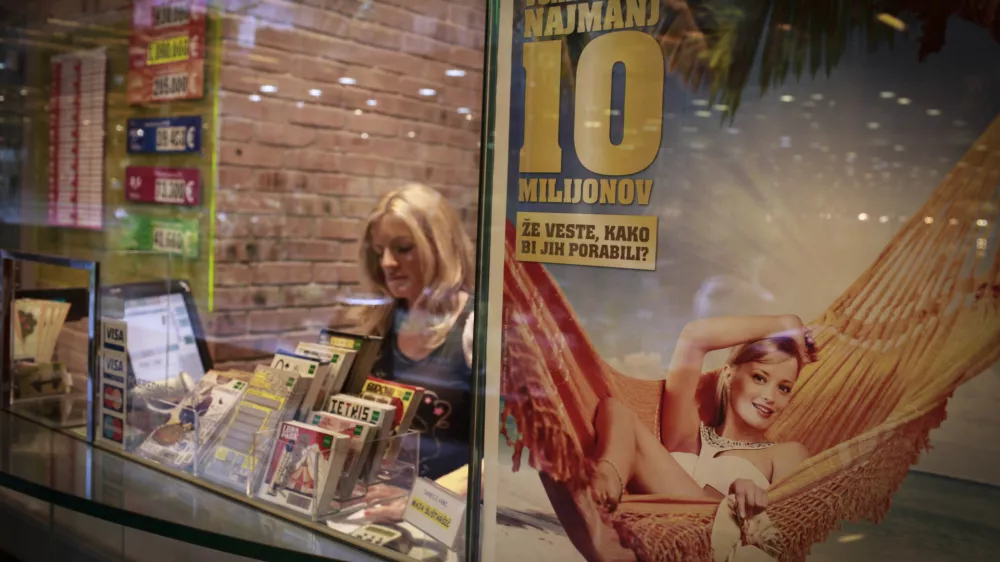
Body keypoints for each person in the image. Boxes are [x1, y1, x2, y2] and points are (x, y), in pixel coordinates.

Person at [591, 315, 818, 523]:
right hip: (655, 536)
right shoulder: (685, 437)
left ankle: (598, 495)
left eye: (784, 388)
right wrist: (786, 324)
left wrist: (744, 499)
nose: (770, 397)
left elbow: (789, 536)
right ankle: (603, 485)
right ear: (728, 375)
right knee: (614, 409)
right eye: (759, 378)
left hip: (720, 539)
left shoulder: (786, 454)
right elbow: (694, 338)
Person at [350, 184, 477, 520]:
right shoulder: (378, 323)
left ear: (440, 247)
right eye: (379, 251)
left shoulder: (475, 328)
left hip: (452, 523)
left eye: (403, 248)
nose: (388, 263)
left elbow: (502, 459)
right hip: (375, 513)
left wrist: (422, 503)